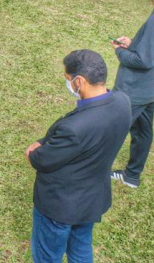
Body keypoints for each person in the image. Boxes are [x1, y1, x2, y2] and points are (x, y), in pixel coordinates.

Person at [26, 50, 131, 263]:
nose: (69, 84)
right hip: (91, 199)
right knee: (81, 249)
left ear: (80, 81)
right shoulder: (123, 102)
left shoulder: (74, 129)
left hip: (60, 206)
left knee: (47, 256)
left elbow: (40, 160)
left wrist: (34, 149)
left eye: (69, 79)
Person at [110, 0, 154, 188]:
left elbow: (143, 61)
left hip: (135, 90)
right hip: (150, 90)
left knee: (110, 129)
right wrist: (134, 43)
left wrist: (120, 51)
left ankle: (89, 172)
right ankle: (132, 176)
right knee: (143, 131)